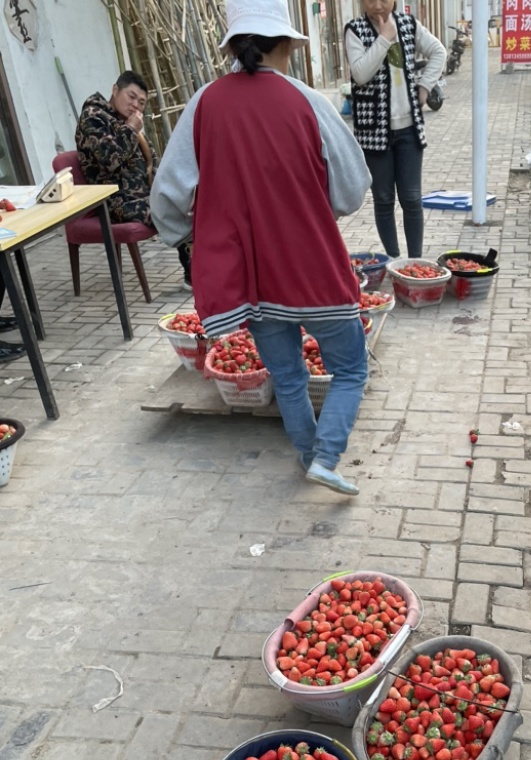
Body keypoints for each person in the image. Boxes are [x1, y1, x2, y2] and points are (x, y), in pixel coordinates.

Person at [151, 0, 372, 497]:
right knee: (351, 367)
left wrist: (188, 235)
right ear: (289, 44)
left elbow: (167, 195)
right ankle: (328, 456)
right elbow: (353, 187)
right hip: (314, 267)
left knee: (288, 375)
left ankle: (307, 455)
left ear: (232, 45)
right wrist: (318, 210)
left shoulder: (204, 104)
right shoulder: (308, 101)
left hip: (252, 278)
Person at [344, 0, 445, 259]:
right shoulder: (355, 30)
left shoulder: (408, 24)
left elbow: (438, 52)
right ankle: (393, 259)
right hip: (374, 132)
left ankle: (414, 261)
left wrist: (424, 88)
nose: (378, 5)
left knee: (412, 198)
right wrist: (384, 39)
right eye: (370, 0)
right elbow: (360, 74)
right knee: (384, 199)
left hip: (409, 128)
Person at [76, 71, 192, 290]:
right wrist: (131, 129)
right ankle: (193, 275)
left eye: (141, 102)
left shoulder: (123, 120)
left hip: (141, 196)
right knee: (179, 210)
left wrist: (167, 187)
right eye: (131, 97)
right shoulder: (93, 117)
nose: (135, 106)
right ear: (115, 90)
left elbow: (153, 159)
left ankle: (201, 270)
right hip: (115, 201)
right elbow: (111, 160)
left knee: (191, 201)